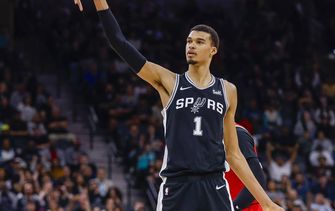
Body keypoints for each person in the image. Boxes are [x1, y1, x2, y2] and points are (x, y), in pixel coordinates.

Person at [74, 1, 284, 210]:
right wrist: (99, 1)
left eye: (199, 42)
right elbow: (119, 42)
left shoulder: (228, 90)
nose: (191, 45)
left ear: (213, 50)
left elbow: (233, 154)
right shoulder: (169, 82)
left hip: (214, 185)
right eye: (189, 41)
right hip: (177, 185)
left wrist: (267, 203)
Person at [225, 123, 266, 211]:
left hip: (247, 206)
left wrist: (235, 206)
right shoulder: (211, 135)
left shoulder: (238, 134)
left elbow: (258, 177)